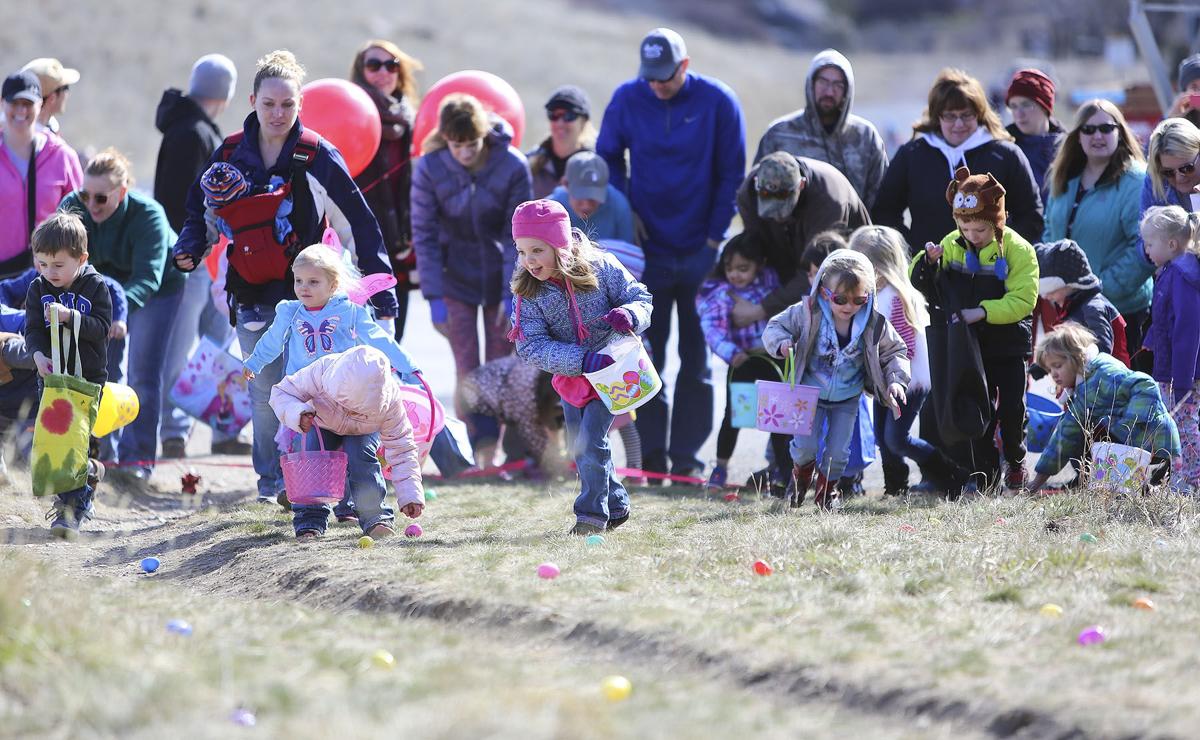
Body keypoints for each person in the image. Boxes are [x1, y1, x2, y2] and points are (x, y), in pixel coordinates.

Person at [173, 50, 399, 505]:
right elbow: (203, 208)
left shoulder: (316, 155)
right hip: (251, 292)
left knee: (320, 389)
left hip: (311, 297)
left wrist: (380, 288)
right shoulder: (231, 153)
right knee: (264, 390)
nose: (278, 114)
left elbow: (358, 221)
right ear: (253, 101)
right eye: (269, 104)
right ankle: (272, 483)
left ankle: (321, 484)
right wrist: (191, 247)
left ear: (300, 105)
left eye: (288, 105)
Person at [596, 27, 745, 480]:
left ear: (684, 65)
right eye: (651, 77)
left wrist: (714, 238)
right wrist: (626, 211)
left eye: (665, 76)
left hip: (701, 250)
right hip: (647, 254)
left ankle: (686, 459)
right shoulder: (627, 98)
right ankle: (652, 460)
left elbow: (731, 173)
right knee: (645, 356)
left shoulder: (718, 102)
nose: (657, 85)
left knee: (696, 363)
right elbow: (607, 160)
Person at [508, 200, 652, 533]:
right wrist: (579, 360)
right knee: (582, 444)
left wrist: (630, 314)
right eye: (521, 251)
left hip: (614, 370)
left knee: (590, 442)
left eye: (537, 250)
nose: (528, 261)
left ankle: (590, 516)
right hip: (573, 377)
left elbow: (640, 298)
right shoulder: (527, 291)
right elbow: (529, 345)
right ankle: (616, 505)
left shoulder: (602, 266)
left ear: (559, 245)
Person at [910, 166, 1039, 491]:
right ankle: (984, 475)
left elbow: (1024, 300)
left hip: (1007, 345)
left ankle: (1014, 458)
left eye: (979, 229)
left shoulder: (1019, 250)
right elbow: (924, 283)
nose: (971, 236)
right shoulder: (952, 244)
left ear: (998, 219)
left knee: (1011, 409)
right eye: (964, 227)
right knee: (975, 412)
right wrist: (928, 263)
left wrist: (982, 312)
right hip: (968, 348)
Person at [59, 148, 182, 481]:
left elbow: (147, 278)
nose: (91, 204)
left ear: (122, 192)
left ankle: (137, 461)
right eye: (86, 194)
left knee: (142, 370)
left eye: (101, 198)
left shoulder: (149, 216)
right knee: (100, 370)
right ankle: (102, 455)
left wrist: (111, 315)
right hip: (101, 287)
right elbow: (58, 259)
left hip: (156, 289)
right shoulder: (73, 207)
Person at [762, 249, 910, 510]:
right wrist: (783, 344)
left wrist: (896, 380)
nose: (849, 306)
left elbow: (895, 351)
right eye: (840, 299)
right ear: (823, 293)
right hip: (809, 395)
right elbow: (775, 327)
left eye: (858, 300)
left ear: (869, 296)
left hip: (847, 397)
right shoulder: (807, 312)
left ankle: (827, 493)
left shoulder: (874, 323)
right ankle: (800, 479)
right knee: (805, 447)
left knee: (838, 453)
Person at [154, 53, 244, 458]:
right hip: (188, 259)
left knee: (217, 342)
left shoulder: (195, 128)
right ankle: (173, 430)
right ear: (225, 95)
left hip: (206, 260)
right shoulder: (191, 134)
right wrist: (187, 252)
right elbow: (178, 203)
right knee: (180, 344)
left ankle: (223, 427)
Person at [850, 225, 967, 497]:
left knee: (896, 437)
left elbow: (904, 347)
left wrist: (889, 376)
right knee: (883, 436)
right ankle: (895, 486)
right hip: (884, 379)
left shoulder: (896, 297)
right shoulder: (871, 297)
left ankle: (950, 473)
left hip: (906, 380)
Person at [872, 68, 1043, 252]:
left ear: (979, 114)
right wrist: (915, 252)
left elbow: (1032, 216)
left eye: (966, 115)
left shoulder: (1006, 155)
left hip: (993, 272)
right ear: (938, 117)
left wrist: (999, 250)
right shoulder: (912, 155)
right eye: (950, 116)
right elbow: (884, 212)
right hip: (930, 273)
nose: (959, 124)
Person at [270, 345, 425, 539]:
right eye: (344, 405)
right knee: (314, 456)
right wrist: (297, 412)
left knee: (361, 457)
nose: (350, 412)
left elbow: (402, 449)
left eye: (358, 411)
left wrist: (410, 494)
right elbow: (282, 393)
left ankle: (375, 518)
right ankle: (310, 520)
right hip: (322, 426)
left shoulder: (390, 403)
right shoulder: (321, 371)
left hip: (362, 432)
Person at [23, 212, 111, 537]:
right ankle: (86, 474)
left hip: (86, 380)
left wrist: (70, 317)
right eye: (42, 264)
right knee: (56, 442)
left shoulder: (96, 286)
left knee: (76, 440)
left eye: (58, 265)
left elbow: (101, 328)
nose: (50, 272)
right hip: (51, 376)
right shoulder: (37, 288)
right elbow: (32, 328)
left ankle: (71, 512)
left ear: (81, 258)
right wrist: (37, 355)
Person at [1043, 98, 1149, 364]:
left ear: (1119, 132)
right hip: (1070, 312)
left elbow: (1143, 246)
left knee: (1115, 397)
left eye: (1105, 128)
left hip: (1120, 314)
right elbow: (1050, 231)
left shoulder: (1135, 181)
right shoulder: (1066, 177)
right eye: (1088, 130)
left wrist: (1099, 288)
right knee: (1080, 398)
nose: (1097, 136)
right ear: (1077, 136)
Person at [1028, 322, 1179, 495]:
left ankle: (1139, 487)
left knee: (1086, 435)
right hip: (1147, 446)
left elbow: (1146, 384)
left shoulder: (1102, 375)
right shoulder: (1086, 384)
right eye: (1049, 369)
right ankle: (1121, 486)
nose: (1053, 374)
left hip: (1155, 445)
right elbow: (1065, 435)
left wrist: (1129, 429)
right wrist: (1037, 482)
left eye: (1058, 366)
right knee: (1079, 431)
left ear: (1076, 357)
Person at [695, 234, 790, 494]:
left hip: (774, 361)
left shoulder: (770, 286)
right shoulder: (721, 294)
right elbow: (712, 329)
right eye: (730, 268)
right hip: (742, 361)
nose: (735, 274)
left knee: (779, 420)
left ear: (759, 265)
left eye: (743, 268)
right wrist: (730, 351)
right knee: (733, 416)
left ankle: (785, 471)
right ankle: (721, 467)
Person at [732, 153, 869, 331]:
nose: (777, 216)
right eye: (771, 210)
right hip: (791, 269)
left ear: (801, 185)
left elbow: (819, 274)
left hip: (844, 287)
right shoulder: (749, 193)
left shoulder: (829, 199)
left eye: (782, 208)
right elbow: (755, 251)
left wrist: (762, 309)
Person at [350, 40, 422, 340]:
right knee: (358, 337)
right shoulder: (350, 115)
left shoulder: (411, 120)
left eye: (391, 65)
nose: (383, 72)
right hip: (357, 243)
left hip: (400, 243)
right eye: (373, 65)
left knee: (395, 338)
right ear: (360, 71)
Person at [754, 49, 888, 208]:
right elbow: (755, 195)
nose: (830, 91)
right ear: (811, 84)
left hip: (852, 231)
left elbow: (882, 202)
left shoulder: (866, 137)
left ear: (847, 90)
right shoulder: (779, 135)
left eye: (838, 85)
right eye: (823, 82)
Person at [1140, 205, 1200, 493]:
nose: (1146, 249)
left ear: (1171, 244)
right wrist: (1151, 338)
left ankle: (1192, 479)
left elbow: (1187, 330)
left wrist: (1182, 380)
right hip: (1171, 369)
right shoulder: (1169, 271)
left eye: (1150, 243)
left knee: (1184, 427)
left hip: (1182, 374)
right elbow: (1165, 317)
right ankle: (1181, 478)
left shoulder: (1182, 276)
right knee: (1176, 426)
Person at [0, 71, 82, 278]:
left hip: (49, 277)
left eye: (28, 103)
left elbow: (81, 219)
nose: (21, 110)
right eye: (14, 102)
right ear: (2, 103)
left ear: (40, 106)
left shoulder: (62, 156)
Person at [457, 354, 564, 473]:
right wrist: (546, 460)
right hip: (476, 394)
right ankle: (487, 468)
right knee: (488, 435)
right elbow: (530, 429)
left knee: (515, 432)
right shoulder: (528, 395)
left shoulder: (543, 382)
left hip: (500, 391)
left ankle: (511, 461)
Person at [1033, 239, 1129, 364]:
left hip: (1107, 379)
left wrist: (1078, 368)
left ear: (1072, 284)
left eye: (1052, 291)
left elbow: (1103, 348)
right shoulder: (1071, 306)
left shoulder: (1092, 309)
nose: (1046, 296)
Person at [548, 151, 635, 243]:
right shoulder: (551, 210)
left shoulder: (619, 206)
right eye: (580, 195)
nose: (586, 205)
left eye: (594, 197)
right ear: (565, 185)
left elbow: (626, 252)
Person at [1005, 68, 1064, 201]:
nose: (1019, 114)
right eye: (1013, 106)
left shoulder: (1070, 148)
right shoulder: (1003, 150)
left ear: (1045, 106)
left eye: (1026, 105)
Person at [527, 86, 597, 199]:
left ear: (584, 122)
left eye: (568, 116)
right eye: (554, 116)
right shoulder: (529, 163)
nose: (560, 123)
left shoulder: (596, 167)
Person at [21, 58, 78, 138]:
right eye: (66, 87)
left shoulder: (52, 125)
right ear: (52, 98)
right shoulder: (29, 139)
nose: (67, 94)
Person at [1164, 53, 1200, 128]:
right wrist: (1171, 117)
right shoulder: (1181, 119)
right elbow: (1158, 138)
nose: (1198, 92)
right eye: (1194, 87)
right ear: (1185, 91)